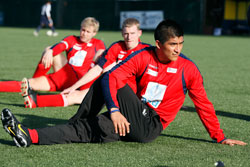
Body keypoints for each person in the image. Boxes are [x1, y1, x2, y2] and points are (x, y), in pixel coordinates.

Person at [1, 19, 247, 147]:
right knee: (85, 131)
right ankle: (29, 136)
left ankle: (77, 119)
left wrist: (219, 136)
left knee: (105, 81)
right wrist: (116, 112)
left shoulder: (188, 69)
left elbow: (203, 103)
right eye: (173, 44)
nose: (178, 49)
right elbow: (111, 78)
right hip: (130, 119)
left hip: (150, 125)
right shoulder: (143, 56)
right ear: (159, 44)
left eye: (181, 44)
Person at [22, 18, 150, 108]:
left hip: (131, 96)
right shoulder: (116, 47)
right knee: (75, 95)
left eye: (132, 33)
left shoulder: (147, 51)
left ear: (139, 33)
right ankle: (35, 101)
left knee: (108, 69)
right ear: (122, 33)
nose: (129, 37)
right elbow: (97, 70)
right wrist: (73, 87)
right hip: (109, 89)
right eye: (126, 33)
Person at [0, 17, 105, 96]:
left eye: (88, 32)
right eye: (83, 30)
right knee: (28, 83)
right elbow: (60, 46)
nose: (84, 34)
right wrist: (50, 51)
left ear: (94, 33)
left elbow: (103, 59)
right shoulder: (72, 39)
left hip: (80, 82)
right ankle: (33, 82)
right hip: (64, 75)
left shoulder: (98, 44)